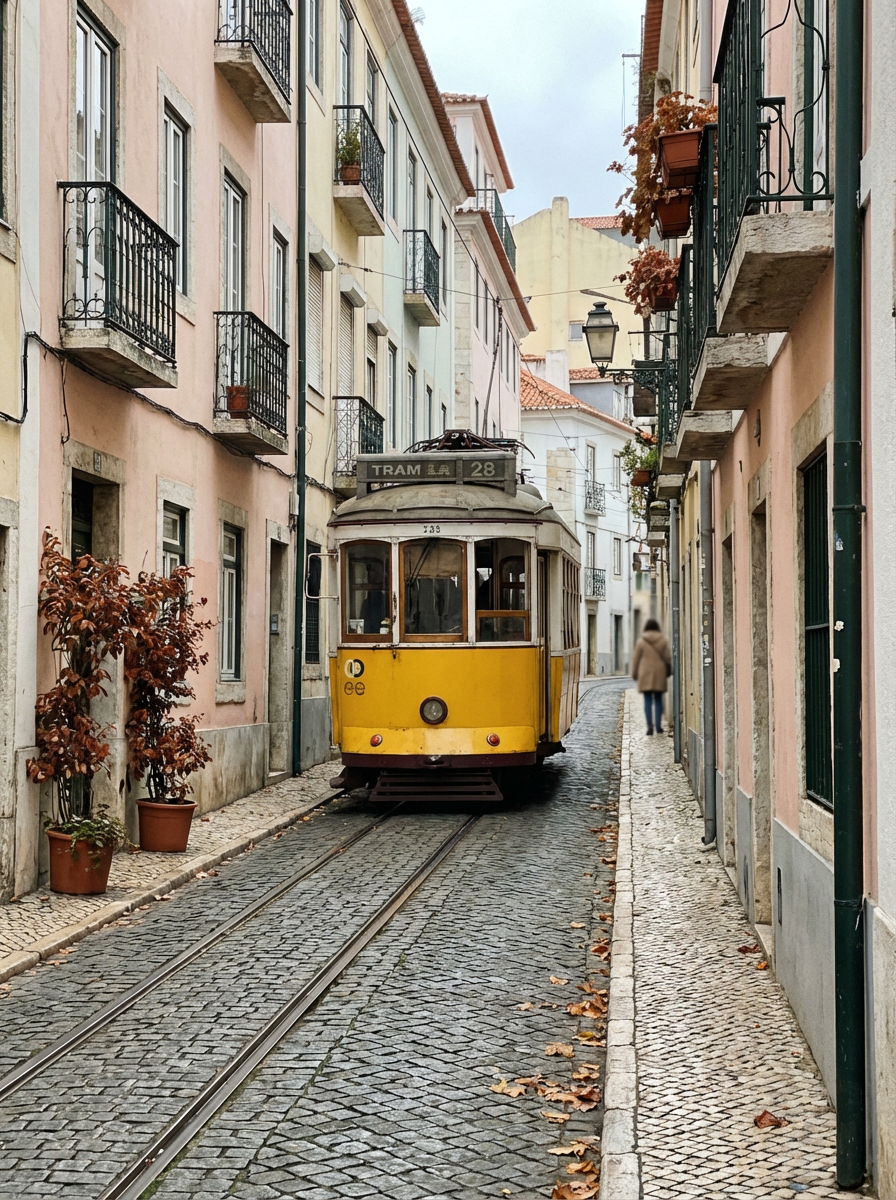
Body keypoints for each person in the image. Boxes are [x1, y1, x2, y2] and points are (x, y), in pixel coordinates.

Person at [632, 618, 672, 735]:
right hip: (659, 673)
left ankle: (650, 727)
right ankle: (658, 727)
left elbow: (636, 659)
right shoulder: (663, 640)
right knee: (659, 700)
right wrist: (668, 670)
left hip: (645, 674)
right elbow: (667, 658)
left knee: (648, 700)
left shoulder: (641, 641)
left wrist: (635, 674)